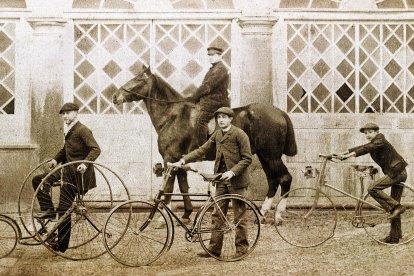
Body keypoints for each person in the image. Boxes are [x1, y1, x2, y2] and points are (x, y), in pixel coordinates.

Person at [170, 107, 252, 258]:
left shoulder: (240, 135)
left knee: (239, 216)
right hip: (220, 180)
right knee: (217, 215)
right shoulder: (217, 134)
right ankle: (214, 249)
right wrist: (182, 160)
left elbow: (247, 158)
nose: (220, 120)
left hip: (237, 181)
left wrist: (232, 171)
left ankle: (241, 249)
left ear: (230, 119)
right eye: (218, 117)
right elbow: (202, 150)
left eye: (224, 117)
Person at [32, 102, 101, 252]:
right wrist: (55, 160)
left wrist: (84, 163)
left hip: (78, 176)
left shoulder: (83, 130)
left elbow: (95, 149)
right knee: (37, 180)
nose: (65, 116)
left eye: (68, 113)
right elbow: (65, 150)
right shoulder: (70, 130)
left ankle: (61, 245)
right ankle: (49, 210)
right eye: (63, 114)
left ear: (76, 113)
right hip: (66, 171)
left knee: (64, 209)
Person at [336, 123, 408, 244]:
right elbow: (363, 147)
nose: (367, 135)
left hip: (397, 173)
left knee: (373, 189)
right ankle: (395, 237)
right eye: (365, 133)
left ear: (376, 132)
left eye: (370, 132)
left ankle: (397, 207)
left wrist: (349, 155)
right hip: (395, 172)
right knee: (393, 207)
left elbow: (367, 148)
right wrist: (343, 153)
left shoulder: (380, 139)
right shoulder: (374, 143)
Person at [187, 45, 230, 146]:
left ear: (219, 56)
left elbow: (208, 86)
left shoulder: (220, 69)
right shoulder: (213, 69)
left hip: (216, 101)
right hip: (210, 100)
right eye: (209, 55)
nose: (210, 57)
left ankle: (202, 150)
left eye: (213, 55)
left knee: (200, 120)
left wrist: (194, 97)